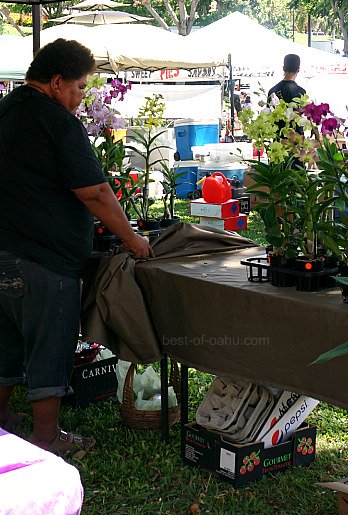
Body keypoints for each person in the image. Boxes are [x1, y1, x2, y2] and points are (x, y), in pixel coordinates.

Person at [0, 39, 153, 453]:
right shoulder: (56, 120)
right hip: (43, 258)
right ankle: (47, 438)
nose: (82, 96)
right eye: (80, 87)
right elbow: (95, 192)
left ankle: (2, 420)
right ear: (55, 83)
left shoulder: (6, 110)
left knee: (8, 341)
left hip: (4, 249)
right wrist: (131, 238)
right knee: (50, 343)